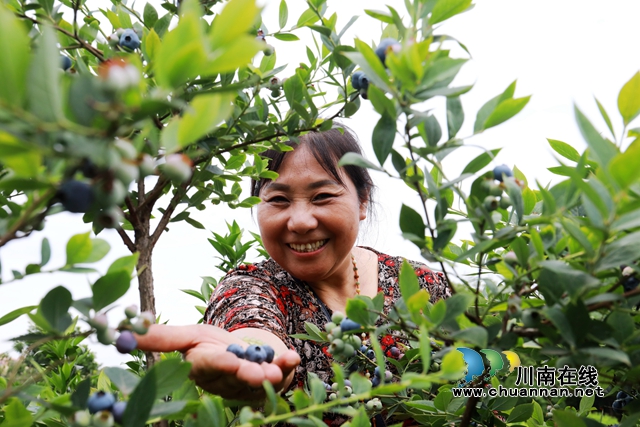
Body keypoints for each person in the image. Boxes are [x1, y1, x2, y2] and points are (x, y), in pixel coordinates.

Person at [135, 126, 451, 411]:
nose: (300, 222)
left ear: (363, 201)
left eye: (323, 196)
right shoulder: (253, 286)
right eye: (279, 199)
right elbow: (250, 324)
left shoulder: (420, 284)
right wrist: (252, 355)